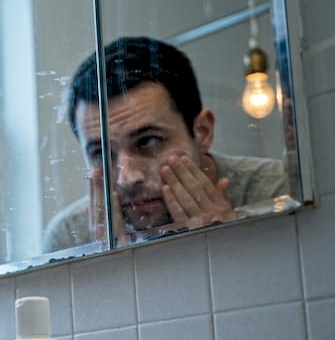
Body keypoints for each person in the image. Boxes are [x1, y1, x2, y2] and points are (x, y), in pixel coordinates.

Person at [43, 36, 288, 251]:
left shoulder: (280, 192)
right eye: (99, 152)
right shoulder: (69, 236)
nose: (127, 178)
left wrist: (230, 248)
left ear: (203, 131)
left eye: (147, 141)